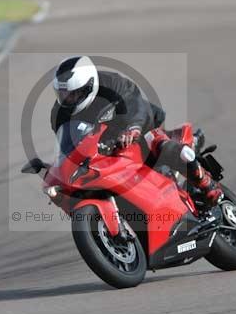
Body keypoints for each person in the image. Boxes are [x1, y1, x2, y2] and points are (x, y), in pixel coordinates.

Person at [50, 56, 223, 208]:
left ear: (88, 86)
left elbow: (136, 105)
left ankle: (206, 184)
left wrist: (133, 129)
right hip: (105, 148)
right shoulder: (59, 114)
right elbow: (66, 145)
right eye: (63, 94)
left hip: (140, 126)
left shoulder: (112, 84)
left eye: (73, 94)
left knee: (156, 142)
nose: (68, 100)